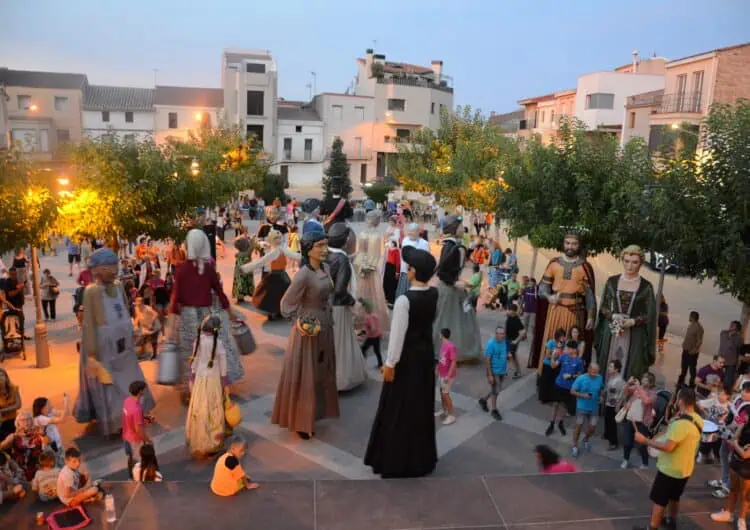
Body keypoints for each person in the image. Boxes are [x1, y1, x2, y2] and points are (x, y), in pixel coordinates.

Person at [365, 247, 439, 478]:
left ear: (415, 272)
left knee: (398, 408)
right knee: (420, 406)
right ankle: (420, 458)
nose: (407, 270)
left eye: (409, 267)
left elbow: (397, 337)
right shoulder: (434, 294)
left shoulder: (404, 301)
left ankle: (397, 460)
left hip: (406, 360)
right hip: (425, 357)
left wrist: (390, 364)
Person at [73, 248, 155, 437]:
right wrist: (92, 353)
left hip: (123, 342)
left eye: (114, 265)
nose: (114, 269)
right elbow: (90, 323)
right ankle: (117, 420)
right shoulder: (92, 291)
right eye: (109, 266)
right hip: (105, 343)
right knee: (110, 384)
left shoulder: (118, 286)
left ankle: (137, 412)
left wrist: (133, 329)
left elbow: (126, 308)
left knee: (130, 376)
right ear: (96, 270)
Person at [271, 229, 339, 440]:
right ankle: (302, 421)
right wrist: (299, 322)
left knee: (321, 372)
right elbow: (285, 305)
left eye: (325, 245)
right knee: (306, 376)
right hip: (308, 331)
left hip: (325, 326)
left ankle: (316, 412)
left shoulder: (326, 268)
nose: (324, 249)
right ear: (308, 249)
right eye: (319, 246)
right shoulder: (303, 274)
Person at [167, 229, 243, 393]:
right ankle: (216, 384)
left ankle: (191, 389)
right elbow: (220, 294)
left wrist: (171, 326)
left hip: (188, 317)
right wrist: (231, 315)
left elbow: (176, 299)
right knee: (214, 350)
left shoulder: (181, 269)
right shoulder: (208, 268)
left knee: (191, 352)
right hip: (208, 317)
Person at [633, 388, 703, 530]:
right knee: (674, 497)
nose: (675, 402)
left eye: (677, 399)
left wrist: (645, 440)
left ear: (681, 401)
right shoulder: (697, 419)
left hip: (669, 470)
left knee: (659, 501)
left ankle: (652, 527)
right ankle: (671, 521)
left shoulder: (680, 424)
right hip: (685, 469)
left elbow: (668, 447)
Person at [530, 232, 596, 370]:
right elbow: (542, 288)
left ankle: (566, 380)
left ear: (579, 245)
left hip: (575, 313)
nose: (570, 246)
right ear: (563, 244)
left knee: (572, 347)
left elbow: (590, 295)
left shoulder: (584, 267)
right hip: (555, 311)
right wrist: (549, 297)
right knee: (552, 344)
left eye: (574, 243)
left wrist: (590, 316)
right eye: (567, 243)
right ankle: (547, 377)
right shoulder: (554, 264)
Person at [594, 245, 657, 381]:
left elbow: (650, 314)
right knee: (608, 359)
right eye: (627, 261)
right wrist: (613, 315)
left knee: (631, 364)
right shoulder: (612, 282)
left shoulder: (646, 287)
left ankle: (625, 398)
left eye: (634, 262)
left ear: (641, 263)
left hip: (635, 334)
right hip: (613, 330)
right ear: (622, 260)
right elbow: (603, 307)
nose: (630, 266)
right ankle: (604, 394)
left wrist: (633, 321)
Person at [432, 215, 481, 362]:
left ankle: (451, 350)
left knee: (456, 321)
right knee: (445, 321)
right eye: (460, 226)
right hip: (448, 290)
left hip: (453, 289)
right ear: (454, 228)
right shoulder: (450, 246)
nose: (462, 228)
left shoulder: (455, 245)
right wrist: (454, 282)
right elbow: (441, 272)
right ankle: (442, 351)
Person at [326, 223, 366, 391]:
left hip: (326, 305)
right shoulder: (342, 259)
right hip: (339, 307)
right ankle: (341, 380)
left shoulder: (326, 254)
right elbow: (340, 289)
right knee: (341, 343)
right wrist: (353, 303)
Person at [185, 315, 228, 457]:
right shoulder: (219, 343)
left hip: (200, 378)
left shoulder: (198, 341)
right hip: (214, 378)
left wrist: (192, 374)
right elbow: (223, 363)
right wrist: (225, 380)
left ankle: (198, 437)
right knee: (213, 407)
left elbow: (195, 358)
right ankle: (213, 442)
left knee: (199, 407)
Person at [243, 229, 298, 321]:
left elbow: (293, 255)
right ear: (272, 240)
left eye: (279, 237)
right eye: (276, 238)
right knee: (272, 295)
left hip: (281, 274)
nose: (278, 240)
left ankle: (280, 311)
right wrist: (247, 268)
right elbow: (261, 262)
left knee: (281, 293)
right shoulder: (273, 251)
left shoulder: (282, 249)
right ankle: (274, 312)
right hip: (275, 275)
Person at [353, 210, 390, 333]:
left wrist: (368, 267)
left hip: (370, 268)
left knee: (371, 294)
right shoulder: (363, 232)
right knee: (359, 293)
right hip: (360, 264)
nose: (368, 220)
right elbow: (360, 250)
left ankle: (370, 323)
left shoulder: (377, 236)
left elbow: (376, 255)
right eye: (367, 218)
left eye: (370, 219)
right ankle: (360, 322)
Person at [546, 341, 584, 436]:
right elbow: (553, 365)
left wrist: (571, 376)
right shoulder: (563, 356)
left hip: (569, 388)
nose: (565, 350)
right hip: (559, 384)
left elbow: (580, 375)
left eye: (567, 348)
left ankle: (560, 422)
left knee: (564, 406)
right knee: (555, 404)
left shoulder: (579, 361)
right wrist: (553, 358)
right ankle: (552, 423)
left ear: (573, 350)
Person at [621, 372, 657, 469]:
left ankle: (645, 464)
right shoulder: (637, 389)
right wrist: (628, 384)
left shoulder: (653, 394)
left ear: (651, 383)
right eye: (643, 378)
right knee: (627, 442)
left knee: (641, 445)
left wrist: (638, 387)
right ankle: (625, 459)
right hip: (631, 419)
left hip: (642, 422)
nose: (643, 381)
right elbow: (625, 392)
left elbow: (646, 401)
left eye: (646, 380)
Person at [570, 363, 604, 457]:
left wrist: (601, 396)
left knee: (592, 427)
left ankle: (586, 439)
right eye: (593, 372)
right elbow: (572, 391)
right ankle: (574, 445)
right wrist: (583, 395)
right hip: (582, 407)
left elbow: (601, 388)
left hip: (594, 407)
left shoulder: (599, 377)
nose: (595, 374)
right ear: (588, 370)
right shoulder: (581, 378)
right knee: (578, 426)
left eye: (597, 372)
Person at [0, 411, 46, 481]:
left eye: (28, 419)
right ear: (18, 423)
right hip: (20, 470)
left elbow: (48, 442)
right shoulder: (14, 436)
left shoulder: (37, 433)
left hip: (38, 468)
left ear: (31, 421)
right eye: (23, 420)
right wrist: (15, 436)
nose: (26, 422)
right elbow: (1, 446)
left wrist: (43, 435)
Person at [478, 326, 509, 421]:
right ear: (495, 334)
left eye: (503, 333)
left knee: (496, 389)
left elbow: (504, 354)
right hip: (494, 371)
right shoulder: (491, 344)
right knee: (496, 391)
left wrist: (507, 358)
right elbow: (487, 360)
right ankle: (494, 410)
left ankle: (483, 400)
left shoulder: (504, 342)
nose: (501, 335)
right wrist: (490, 375)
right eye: (499, 333)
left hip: (502, 371)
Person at [123, 380, 152, 475]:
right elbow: (138, 430)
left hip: (126, 436)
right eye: (144, 389)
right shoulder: (137, 409)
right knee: (138, 460)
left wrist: (144, 418)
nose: (146, 390)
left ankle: (130, 475)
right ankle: (136, 477)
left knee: (131, 457)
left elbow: (129, 417)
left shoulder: (127, 401)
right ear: (140, 391)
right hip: (135, 439)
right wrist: (148, 440)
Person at [697, 385, 732, 464]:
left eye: (723, 394)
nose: (720, 396)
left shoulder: (730, 406)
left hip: (720, 430)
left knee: (717, 446)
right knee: (706, 446)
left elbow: (732, 418)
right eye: (719, 393)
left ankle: (717, 459)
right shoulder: (713, 401)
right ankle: (705, 457)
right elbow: (699, 403)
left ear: (728, 396)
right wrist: (706, 413)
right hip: (709, 430)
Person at [395, 223, 429, 299]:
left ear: (418, 232)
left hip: (417, 275)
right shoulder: (405, 240)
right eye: (409, 231)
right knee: (403, 294)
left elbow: (426, 259)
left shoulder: (424, 243)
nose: (410, 233)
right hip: (405, 272)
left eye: (413, 231)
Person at [33, 394, 69, 466]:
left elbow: (65, 414)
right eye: (48, 404)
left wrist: (66, 404)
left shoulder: (48, 413)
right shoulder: (40, 419)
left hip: (57, 446)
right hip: (50, 448)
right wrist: (66, 403)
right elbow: (61, 419)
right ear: (42, 408)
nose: (50, 405)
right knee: (58, 467)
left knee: (64, 465)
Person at [436, 328, 458, 425]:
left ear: (442, 335)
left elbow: (453, 361)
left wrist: (448, 376)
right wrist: (437, 369)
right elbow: (441, 358)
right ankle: (444, 410)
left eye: (439, 334)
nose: (439, 335)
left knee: (445, 394)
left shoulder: (451, 346)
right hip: (441, 374)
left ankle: (451, 415)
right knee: (442, 392)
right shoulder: (443, 345)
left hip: (447, 376)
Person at [538, 328, 566, 405]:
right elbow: (547, 355)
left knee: (553, 381)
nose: (563, 338)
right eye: (562, 336)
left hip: (556, 365)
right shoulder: (551, 342)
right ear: (558, 336)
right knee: (545, 381)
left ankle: (551, 397)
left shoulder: (563, 344)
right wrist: (554, 356)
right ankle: (543, 398)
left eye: (563, 336)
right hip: (547, 364)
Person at [603, 360, 625, 450]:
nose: (609, 368)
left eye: (611, 367)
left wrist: (618, 405)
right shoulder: (611, 378)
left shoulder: (620, 381)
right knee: (607, 420)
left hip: (614, 405)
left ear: (616, 369)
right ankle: (607, 435)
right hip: (608, 403)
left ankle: (613, 442)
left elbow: (623, 394)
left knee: (612, 423)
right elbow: (607, 389)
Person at [678, 311, 704, 388]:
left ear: (692, 317)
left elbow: (699, 341)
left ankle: (691, 386)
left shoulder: (699, 328)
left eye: (690, 316)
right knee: (683, 368)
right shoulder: (691, 325)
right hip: (686, 350)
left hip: (692, 353)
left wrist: (693, 351)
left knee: (692, 370)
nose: (689, 317)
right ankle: (680, 382)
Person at [3, 268, 28, 340]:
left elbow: (19, 288)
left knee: (21, 319)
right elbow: (10, 294)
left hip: (19, 304)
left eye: (15, 274)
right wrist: (20, 289)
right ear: (9, 274)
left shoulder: (17, 280)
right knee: (15, 321)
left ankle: (22, 334)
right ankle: (15, 336)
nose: (13, 276)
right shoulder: (7, 282)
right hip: (12, 305)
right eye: (12, 274)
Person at [719, 321, 743, 389]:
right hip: (721, 359)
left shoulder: (739, 338)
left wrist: (734, 335)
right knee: (717, 378)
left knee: (727, 380)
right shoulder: (723, 333)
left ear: (737, 328)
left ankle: (725, 393)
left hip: (731, 362)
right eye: (731, 324)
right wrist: (730, 335)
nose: (731, 326)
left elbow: (738, 345)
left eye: (733, 325)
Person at [505, 303, 525, 379]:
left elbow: (522, 332)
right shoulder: (509, 316)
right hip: (507, 338)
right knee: (506, 354)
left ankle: (519, 372)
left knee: (513, 356)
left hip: (512, 341)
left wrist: (516, 341)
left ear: (513, 311)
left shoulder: (516, 320)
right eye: (508, 310)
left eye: (509, 310)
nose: (507, 311)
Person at [361, 300, 383, 368]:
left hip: (372, 336)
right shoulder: (375, 315)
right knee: (377, 350)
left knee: (363, 348)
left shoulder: (368, 317)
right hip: (378, 336)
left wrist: (365, 332)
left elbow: (373, 328)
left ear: (367, 309)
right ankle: (380, 363)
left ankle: (362, 363)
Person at [0, 368, 21, 441]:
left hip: (13, 419)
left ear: (6, 377)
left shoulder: (13, 388)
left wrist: (3, 410)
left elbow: (18, 405)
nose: (1, 378)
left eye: (2, 375)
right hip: (2, 421)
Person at [383, 240, 400, 306]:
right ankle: (386, 297)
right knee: (386, 282)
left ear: (394, 244)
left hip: (393, 268)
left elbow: (398, 262)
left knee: (391, 284)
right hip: (388, 266)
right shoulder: (389, 249)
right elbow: (385, 243)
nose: (390, 244)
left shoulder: (396, 251)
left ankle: (391, 301)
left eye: (391, 243)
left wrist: (397, 272)